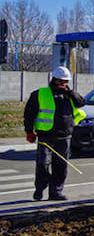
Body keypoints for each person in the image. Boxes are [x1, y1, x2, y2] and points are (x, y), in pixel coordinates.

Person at [23, 66, 86, 201]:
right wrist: (29, 131)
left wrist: (72, 94)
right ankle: (40, 189)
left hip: (64, 136)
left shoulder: (70, 95)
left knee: (61, 166)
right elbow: (29, 114)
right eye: (62, 82)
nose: (64, 85)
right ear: (55, 80)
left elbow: (81, 103)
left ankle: (56, 192)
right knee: (43, 164)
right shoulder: (40, 94)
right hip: (46, 135)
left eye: (66, 82)